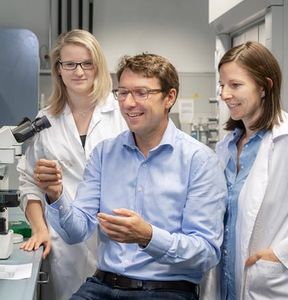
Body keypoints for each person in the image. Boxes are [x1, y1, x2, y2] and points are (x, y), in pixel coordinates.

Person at [37, 53, 227, 300]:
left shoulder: (199, 160)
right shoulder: (105, 154)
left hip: (165, 291)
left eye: (141, 93)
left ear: (169, 97)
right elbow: (76, 232)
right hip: (101, 286)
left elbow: (206, 252)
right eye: (123, 92)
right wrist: (55, 195)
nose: (128, 103)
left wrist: (148, 236)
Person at [17, 29, 127, 300]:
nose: (79, 71)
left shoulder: (121, 115)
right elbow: (28, 180)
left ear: (98, 66)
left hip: (114, 240)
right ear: (59, 69)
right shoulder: (46, 119)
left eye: (87, 63)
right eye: (70, 64)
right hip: (64, 245)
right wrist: (40, 228)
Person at [203, 41, 288, 300]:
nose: (225, 94)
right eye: (222, 85)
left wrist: (281, 255)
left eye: (235, 85)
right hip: (223, 280)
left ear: (264, 87)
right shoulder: (226, 146)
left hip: (265, 280)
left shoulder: (283, 142)